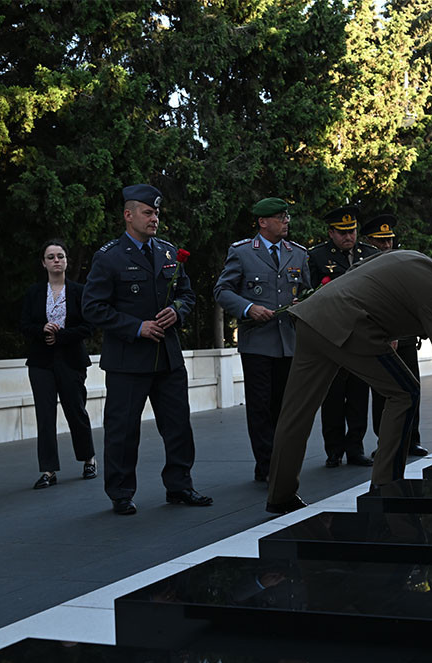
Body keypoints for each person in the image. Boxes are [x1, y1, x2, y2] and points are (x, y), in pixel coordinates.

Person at [265, 249, 432, 515]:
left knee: (295, 413)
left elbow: (358, 269)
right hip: (350, 325)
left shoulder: (413, 257)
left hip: (312, 317)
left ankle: (281, 495)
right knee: (405, 393)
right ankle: (386, 490)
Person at [82, 184, 212, 515]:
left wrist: (178, 311)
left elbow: (188, 294)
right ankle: (121, 492)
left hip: (167, 357)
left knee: (179, 424)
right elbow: (93, 308)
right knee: (123, 430)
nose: (155, 218)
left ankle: (180, 485)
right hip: (128, 360)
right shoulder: (108, 257)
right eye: (148, 212)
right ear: (129, 215)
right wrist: (136, 327)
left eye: (157, 213)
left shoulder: (168, 253)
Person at [213, 197, 310, 483]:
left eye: (287, 217)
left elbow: (307, 290)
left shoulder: (298, 254)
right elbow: (222, 290)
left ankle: (282, 460)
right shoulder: (242, 252)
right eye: (280, 218)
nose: (286, 222)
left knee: (285, 407)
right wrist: (248, 308)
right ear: (262, 222)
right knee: (260, 407)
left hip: (288, 344)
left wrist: (300, 302)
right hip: (258, 343)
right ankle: (266, 465)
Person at [20, 239, 96, 490]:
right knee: (45, 415)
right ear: (43, 263)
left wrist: (61, 335)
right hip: (41, 361)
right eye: (51, 257)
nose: (56, 260)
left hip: (71, 360)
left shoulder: (79, 291)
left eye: (60, 256)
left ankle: (88, 458)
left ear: (66, 261)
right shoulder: (33, 292)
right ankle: (48, 470)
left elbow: (89, 327)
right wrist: (42, 329)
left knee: (76, 410)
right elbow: (24, 326)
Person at [306, 205, 379, 468]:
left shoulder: (370, 255)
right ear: (331, 233)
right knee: (333, 396)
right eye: (343, 232)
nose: (349, 237)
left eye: (353, 231)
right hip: (332, 336)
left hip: (360, 336)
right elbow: (310, 295)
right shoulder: (316, 256)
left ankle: (356, 448)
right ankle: (334, 450)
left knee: (359, 395)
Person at [361, 214, 428, 458]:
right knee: (383, 394)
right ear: (369, 241)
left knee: (413, 388)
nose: (386, 245)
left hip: (407, 339)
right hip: (380, 339)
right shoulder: (364, 268)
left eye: (389, 240)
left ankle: (412, 439)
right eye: (380, 241)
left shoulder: (403, 262)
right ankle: (386, 443)